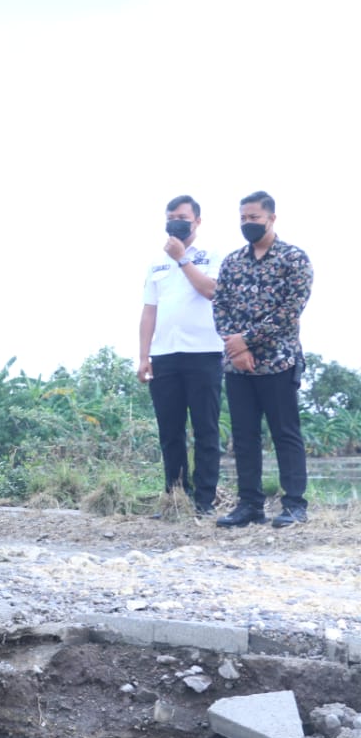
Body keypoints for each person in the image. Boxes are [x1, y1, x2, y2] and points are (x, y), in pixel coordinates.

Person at [212, 191, 313, 528]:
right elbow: (220, 306)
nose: (247, 223)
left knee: (285, 433)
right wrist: (236, 348)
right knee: (244, 436)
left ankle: (295, 505)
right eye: (243, 218)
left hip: (279, 361)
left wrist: (247, 341)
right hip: (237, 365)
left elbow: (289, 312)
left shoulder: (294, 259)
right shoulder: (232, 262)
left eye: (253, 218)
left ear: (271, 218)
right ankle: (250, 506)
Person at [136, 195, 224, 515]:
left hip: (204, 353)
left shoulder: (212, 254)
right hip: (164, 356)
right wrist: (144, 356)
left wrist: (183, 258)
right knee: (170, 431)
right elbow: (149, 312)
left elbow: (212, 290)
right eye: (170, 216)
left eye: (182, 216)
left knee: (205, 429)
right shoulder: (156, 263)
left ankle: (204, 502)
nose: (176, 221)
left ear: (197, 221)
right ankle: (175, 497)